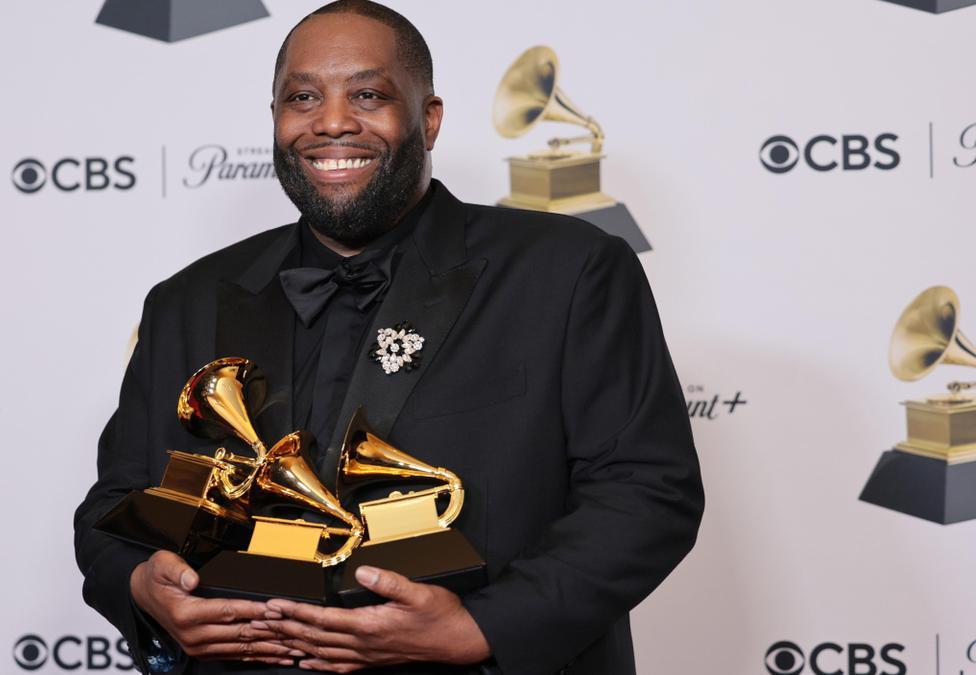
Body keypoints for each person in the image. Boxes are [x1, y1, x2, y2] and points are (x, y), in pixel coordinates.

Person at [74, 2, 703, 673]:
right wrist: (143, 590)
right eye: (303, 97)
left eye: (368, 95)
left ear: (428, 119)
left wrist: (483, 627)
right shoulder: (186, 300)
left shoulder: (568, 270)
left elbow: (645, 491)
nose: (332, 121)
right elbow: (117, 504)